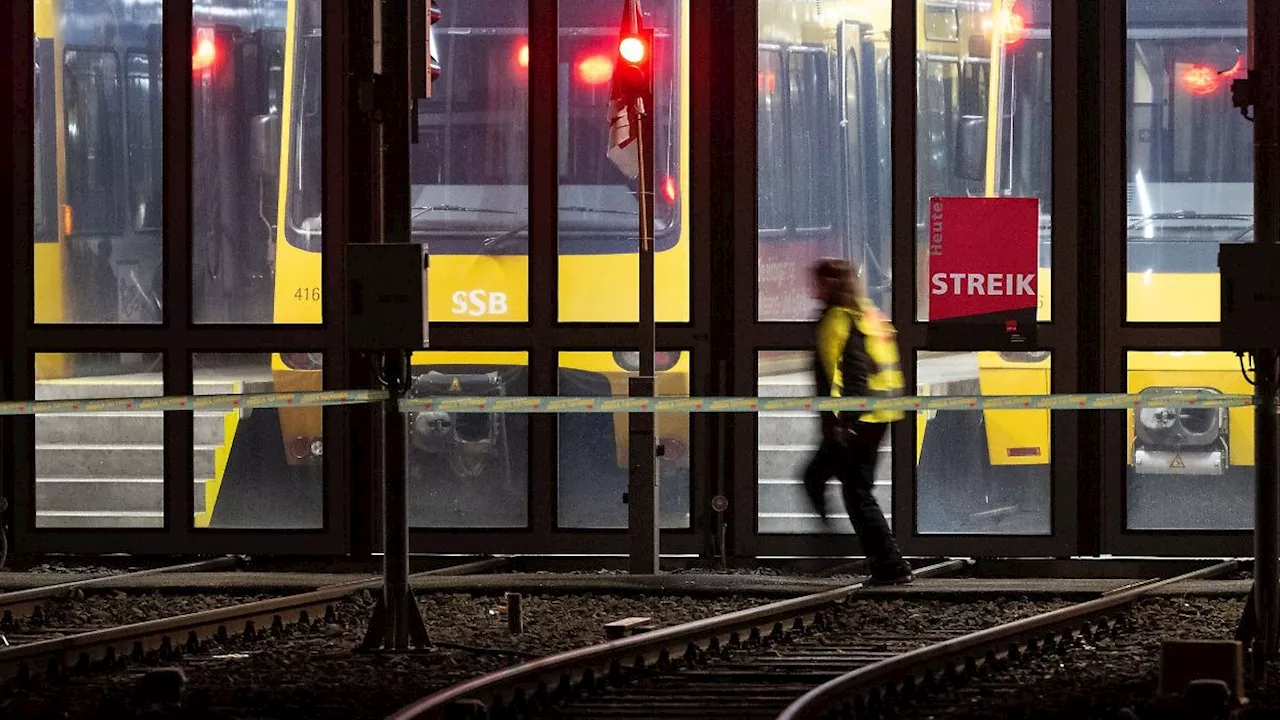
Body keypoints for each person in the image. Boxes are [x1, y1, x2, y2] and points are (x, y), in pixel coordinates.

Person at [803, 259, 914, 585]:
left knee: (855, 493)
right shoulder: (868, 313)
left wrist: (842, 424)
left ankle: (890, 565)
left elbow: (841, 374)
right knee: (817, 477)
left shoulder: (836, 320)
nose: (814, 289)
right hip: (878, 416)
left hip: (857, 421)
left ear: (828, 286)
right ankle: (832, 546)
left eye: (818, 282)